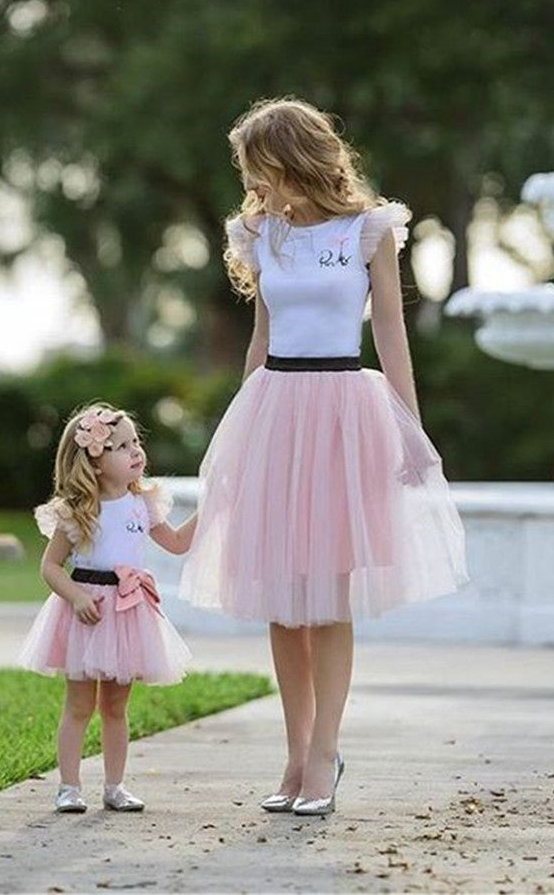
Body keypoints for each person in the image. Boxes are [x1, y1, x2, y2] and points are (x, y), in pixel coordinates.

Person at [179, 97, 470, 817]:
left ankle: (324, 752)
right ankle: (295, 748)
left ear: (289, 156)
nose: (251, 180)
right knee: (283, 599)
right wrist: (240, 434)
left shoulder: (372, 230)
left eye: (257, 164)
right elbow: (260, 340)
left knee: (330, 595)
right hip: (276, 407)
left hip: (345, 410)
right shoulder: (259, 234)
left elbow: (393, 336)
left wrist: (410, 429)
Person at [17, 401, 197, 814]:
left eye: (136, 443)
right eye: (121, 446)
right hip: (88, 612)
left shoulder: (144, 504)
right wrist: (76, 597)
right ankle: (69, 786)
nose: (136, 451)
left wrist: (212, 509)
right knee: (79, 705)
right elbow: (50, 567)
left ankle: (115, 786)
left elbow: (177, 543)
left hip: (128, 612)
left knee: (116, 707)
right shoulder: (77, 511)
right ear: (95, 462)